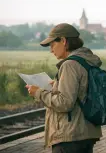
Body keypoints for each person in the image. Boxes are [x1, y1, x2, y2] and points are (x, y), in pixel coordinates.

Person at [25, 23, 102, 153]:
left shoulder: (69, 65)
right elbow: (81, 91)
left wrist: (38, 92)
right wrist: (55, 85)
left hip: (70, 137)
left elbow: (65, 103)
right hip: (86, 132)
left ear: (64, 41)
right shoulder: (86, 61)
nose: (51, 50)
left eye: (52, 44)